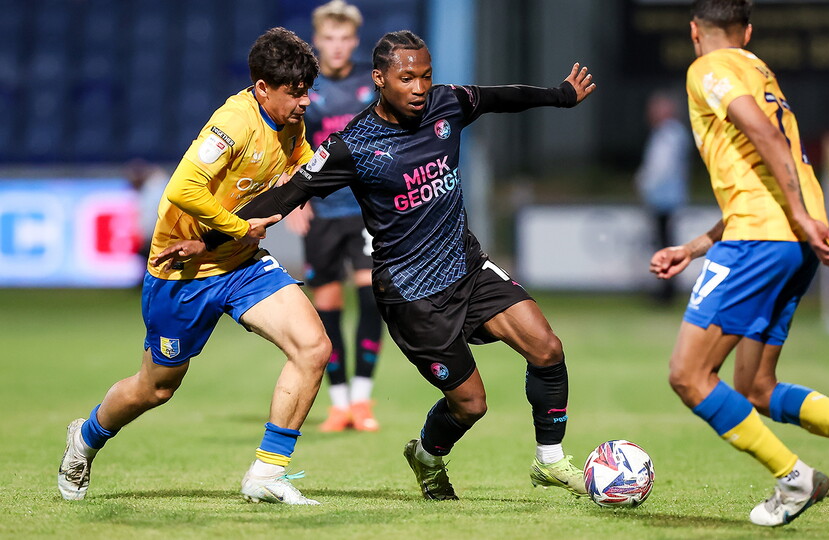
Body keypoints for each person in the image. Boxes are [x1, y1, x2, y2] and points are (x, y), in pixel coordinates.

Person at [157, 30, 597, 501]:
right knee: (471, 405)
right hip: (412, 295)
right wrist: (206, 238)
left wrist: (561, 95)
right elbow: (287, 195)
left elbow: (499, 97)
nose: (420, 87)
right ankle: (427, 458)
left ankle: (549, 461)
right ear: (380, 80)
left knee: (547, 348)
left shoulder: (447, 105)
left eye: (426, 76)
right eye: (407, 78)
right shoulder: (352, 145)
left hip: (467, 267)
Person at [649, 0, 829, 527]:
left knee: (688, 374)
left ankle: (793, 477)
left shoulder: (707, 68)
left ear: (693, 31)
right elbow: (765, 173)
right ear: (747, 31)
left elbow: (764, 137)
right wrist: (694, 246)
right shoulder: (759, 69)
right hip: (788, 242)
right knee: (757, 388)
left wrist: (797, 212)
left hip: (760, 240)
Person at [58, 28, 331, 506]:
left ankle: (266, 474)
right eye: (296, 92)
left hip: (243, 266)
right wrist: (236, 227)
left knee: (313, 347)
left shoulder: (289, 120)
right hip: (181, 273)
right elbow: (182, 190)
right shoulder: (233, 122)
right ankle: (85, 438)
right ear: (262, 88)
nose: (306, 102)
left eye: (308, 90)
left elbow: (301, 163)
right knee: (155, 388)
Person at [286, 0, 383, 433]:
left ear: (354, 41)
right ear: (318, 41)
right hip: (323, 211)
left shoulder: (371, 83)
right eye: (330, 38)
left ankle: (362, 399)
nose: (338, 46)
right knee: (327, 308)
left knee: (371, 298)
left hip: (364, 211)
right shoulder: (305, 87)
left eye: (345, 39)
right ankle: (339, 402)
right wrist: (295, 199)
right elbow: (289, 145)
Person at [634, 91, 689, 304]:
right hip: (666, 198)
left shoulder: (668, 134)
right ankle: (665, 288)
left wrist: (643, 183)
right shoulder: (672, 133)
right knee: (664, 242)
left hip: (664, 199)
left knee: (665, 245)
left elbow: (660, 167)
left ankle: (666, 291)